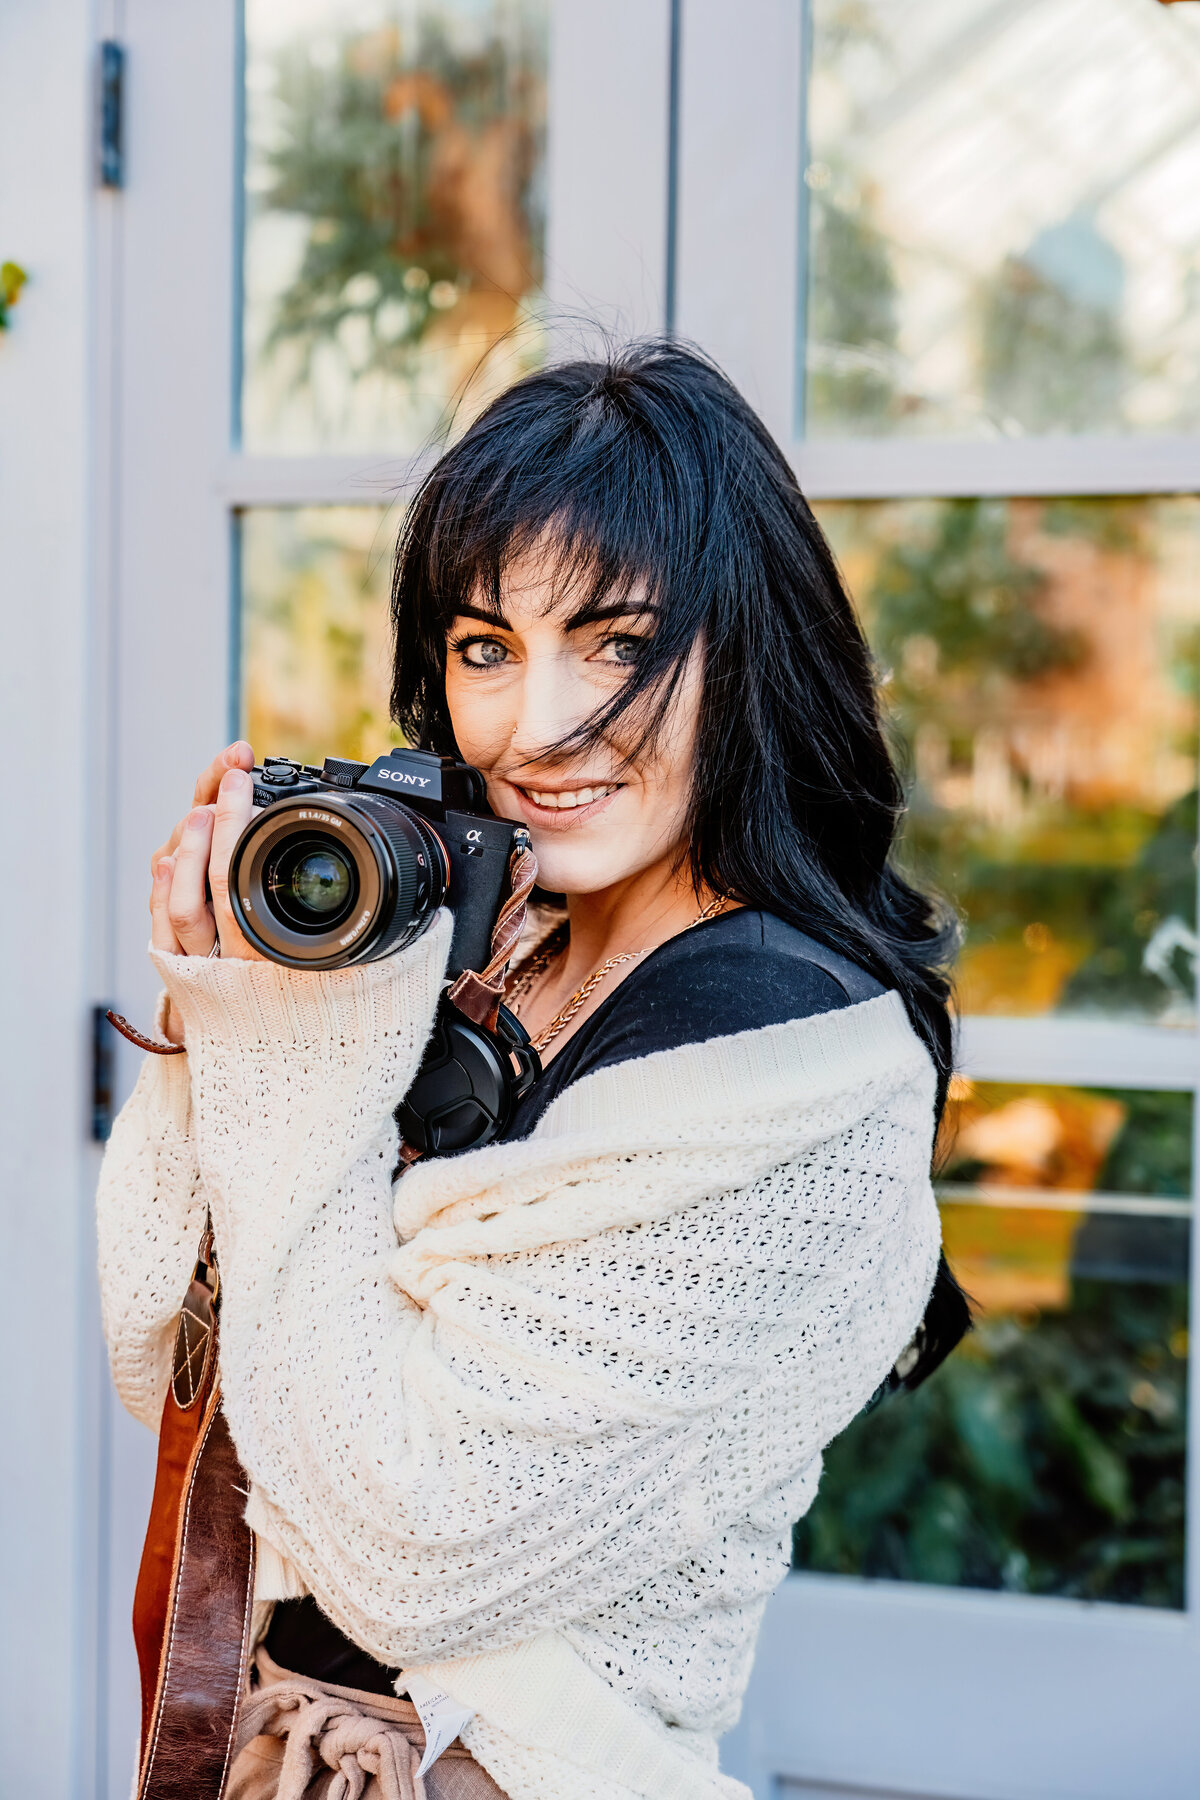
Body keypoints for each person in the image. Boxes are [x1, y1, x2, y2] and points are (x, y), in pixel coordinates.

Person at [97, 341, 968, 1800]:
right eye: (485, 646)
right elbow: (169, 1362)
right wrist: (230, 1008)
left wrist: (301, 1077)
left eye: (618, 644)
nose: (532, 728)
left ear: (748, 649)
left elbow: (412, 1549)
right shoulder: (485, 948)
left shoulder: (792, 1062)